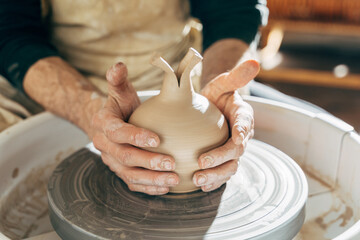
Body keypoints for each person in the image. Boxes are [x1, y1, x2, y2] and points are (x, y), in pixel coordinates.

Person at [0, 0, 268, 195]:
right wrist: (90, 110)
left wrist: (221, 85)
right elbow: (10, 31)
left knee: (267, 125)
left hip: (176, 69)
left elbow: (233, 11)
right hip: (49, 75)